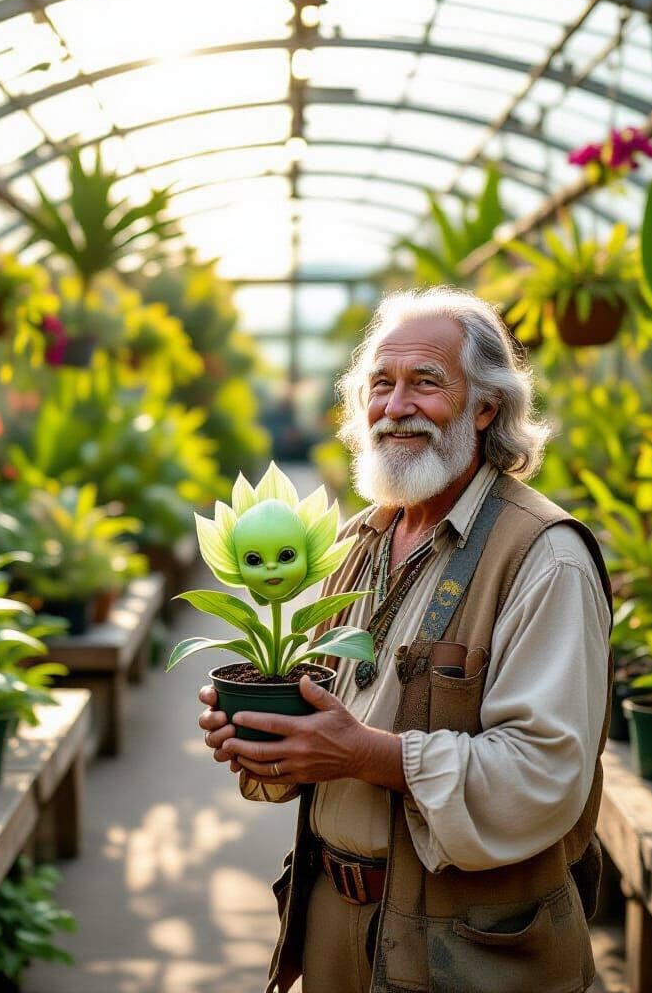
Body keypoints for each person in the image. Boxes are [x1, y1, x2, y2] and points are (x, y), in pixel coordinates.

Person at [198, 287, 612, 993]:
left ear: (486, 407)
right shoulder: (363, 538)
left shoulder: (544, 555)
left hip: (466, 946)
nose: (396, 407)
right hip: (331, 920)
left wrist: (365, 753)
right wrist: (269, 742)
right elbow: (329, 708)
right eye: (380, 386)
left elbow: (544, 776)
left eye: (426, 383)